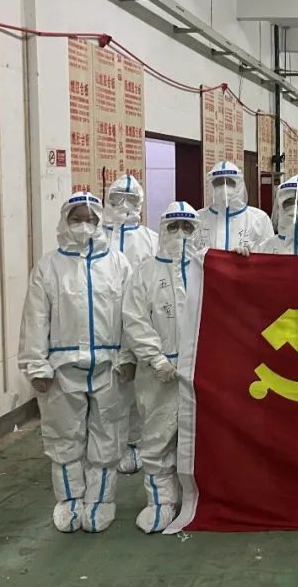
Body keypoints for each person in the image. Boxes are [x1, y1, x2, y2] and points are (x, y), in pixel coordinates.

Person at [18, 192, 133, 533]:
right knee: (64, 439)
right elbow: (35, 318)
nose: (84, 225)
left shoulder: (118, 263)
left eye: (90, 219)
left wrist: (128, 356)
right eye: (76, 219)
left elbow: (131, 314)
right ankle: (69, 500)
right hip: (62, 369)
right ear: (64, 222)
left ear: (100, 222)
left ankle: (100, 501)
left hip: (109, 366)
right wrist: (36, 365)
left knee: (107, 438)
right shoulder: (49, 266)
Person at [121, 201, 204, 533]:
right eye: (174, 226)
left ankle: (198, 497)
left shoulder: (207, 269)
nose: (180, 233)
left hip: (201, 372)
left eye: (188, 226)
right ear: (162, 229)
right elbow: (134, 319)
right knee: (157, 437)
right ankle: (161, 501)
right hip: (160, 373)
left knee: (200, 437)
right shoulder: (145, 272)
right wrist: (155, 358)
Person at [103, 174, 159, 476]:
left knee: (139, 388)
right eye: (116, 199)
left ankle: (135, 444)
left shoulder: (151, 239)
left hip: (141, 323)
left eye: (131, 200)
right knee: (106, 391)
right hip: (104, 325)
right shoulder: (97, 237)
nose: (123, 205)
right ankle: (108, 445)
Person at [198, 161, 274, 252]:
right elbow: (190, 253)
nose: (224, 187)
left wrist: (249, 255)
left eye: (230, 182)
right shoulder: (199, 219)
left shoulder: (259, 219)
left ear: (239, 184)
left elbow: (269, 254)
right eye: (218, 182)